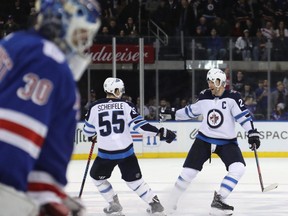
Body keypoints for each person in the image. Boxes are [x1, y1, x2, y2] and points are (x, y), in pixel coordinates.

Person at [0, 0, 101, 215]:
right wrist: (13, 201)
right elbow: (11, 142)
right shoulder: (46, 59)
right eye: (81, 33)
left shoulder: (15, 42)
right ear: (60, 22)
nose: (83, 43)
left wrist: (48, 194)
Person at [167, 68, 261, 215]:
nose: (210, 84)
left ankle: (219, 201)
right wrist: (173, 114)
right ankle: (171, 201)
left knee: (238, 168)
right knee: (188, 172)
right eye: (209, 81)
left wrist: (252, 132)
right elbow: (191, 111)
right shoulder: (204, 96)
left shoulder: (233, 97)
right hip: (204, 139)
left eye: (212, 81)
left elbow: (243, 117)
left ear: (220, 82)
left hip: (227, 142)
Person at [83, 77, 176, 215]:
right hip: (126, 153)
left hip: (105, 154)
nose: (121, 92)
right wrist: (160, 133)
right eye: (119, 90)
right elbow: (141, 127)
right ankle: (155, 206)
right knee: (135, 181)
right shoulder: (126, 105)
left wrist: (93, 135)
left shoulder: (94, 107)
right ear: (114, 90)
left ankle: (114, 204)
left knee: (97, 178)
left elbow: (88, 131)